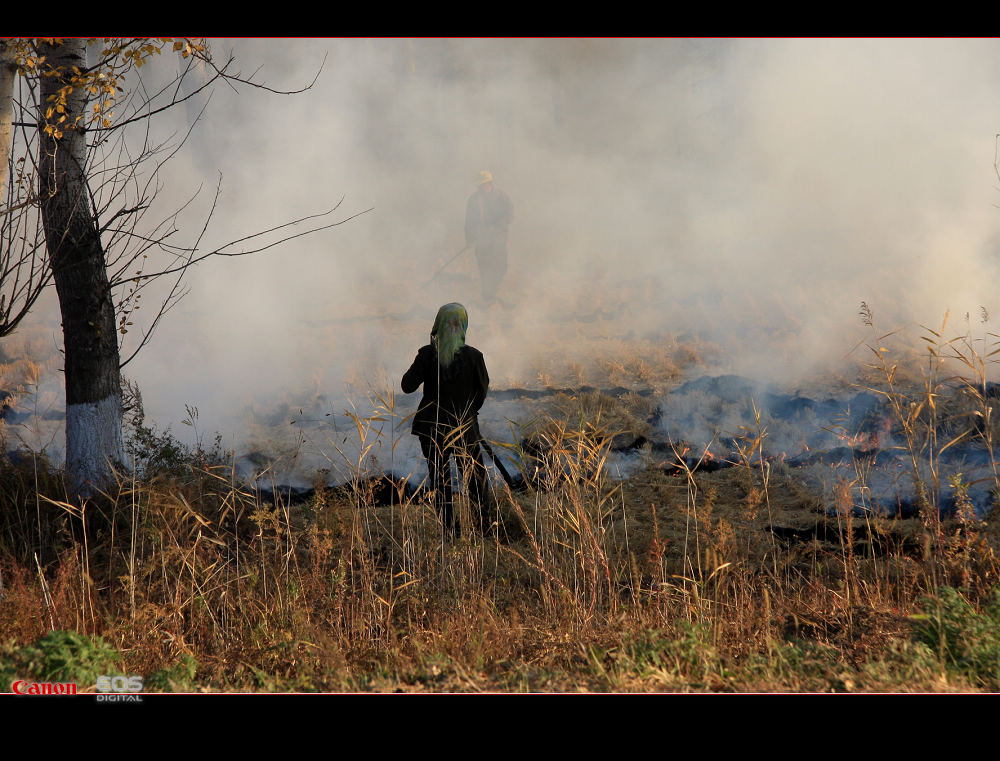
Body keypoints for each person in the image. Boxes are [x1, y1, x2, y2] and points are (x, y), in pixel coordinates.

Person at [402, 302, 491, 536]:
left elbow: (407, 386)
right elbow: (480, 394)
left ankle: (450, 533)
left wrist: (426, 358)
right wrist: (468, 414)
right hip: (465, 429)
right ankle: (484, 529)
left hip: (431, 430)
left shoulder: (428, 355)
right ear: (464, 326)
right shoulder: (474, 357)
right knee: (475, 480)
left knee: (441, 481)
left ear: (437, 325)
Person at [465, 170, 513, 304]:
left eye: (484, 184)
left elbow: (509, 214)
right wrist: (469, 239)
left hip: (498, 239)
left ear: (490, 183)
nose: (482, 187)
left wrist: (498, 227)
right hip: (482, 240)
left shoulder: (501, 196)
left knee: (501, 266)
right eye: (480, 185)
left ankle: (493, 288)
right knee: (484, 266)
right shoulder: (474, 200)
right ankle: (487, 294)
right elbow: (469, 222)